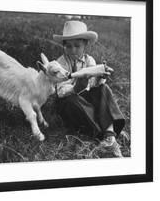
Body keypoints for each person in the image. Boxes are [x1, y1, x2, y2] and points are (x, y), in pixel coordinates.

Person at [53, 20, 125, 157]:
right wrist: (75, 88)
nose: (73, 50)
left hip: (86, 98)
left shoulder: (89, 60)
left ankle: (109, 134)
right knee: (72, 101)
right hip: (68, 103)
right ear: (64, 46)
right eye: (69, 46)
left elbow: (93, 84)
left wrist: (100, 76)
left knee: (104, 88)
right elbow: (61, 91)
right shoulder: (61, 63)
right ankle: (101, 134)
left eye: (77, 46)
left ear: (85, 45)